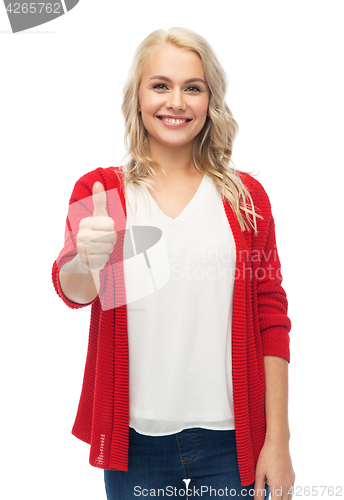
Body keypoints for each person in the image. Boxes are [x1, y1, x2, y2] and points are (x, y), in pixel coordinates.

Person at [52, 27, 295, 500]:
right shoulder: (103, 191)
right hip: (135, 441)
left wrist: (278, 440)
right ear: (138, 97)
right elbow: (75, 291)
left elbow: (271, 316)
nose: (176, 102)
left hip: (233, 440)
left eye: (193, 87)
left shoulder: (246, 199)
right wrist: (87, 259)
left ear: (210, 101)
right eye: (160, 85)